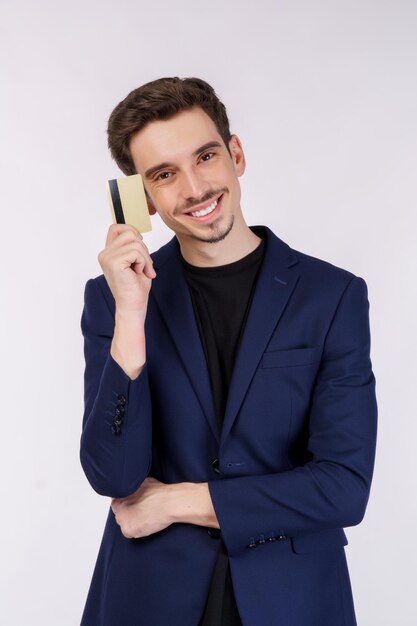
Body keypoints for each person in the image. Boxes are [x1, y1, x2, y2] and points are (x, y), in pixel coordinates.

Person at [80, 77, 377, 626]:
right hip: (148, 597)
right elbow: (114, 476)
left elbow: (343, 488)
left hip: (293, 598)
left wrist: (178, 501)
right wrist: (129, 313)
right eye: (164, 175)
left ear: (235, 154)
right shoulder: (115, 300)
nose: (194, 188)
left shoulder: (332, 296)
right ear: (140, 197)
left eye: (206, 156)